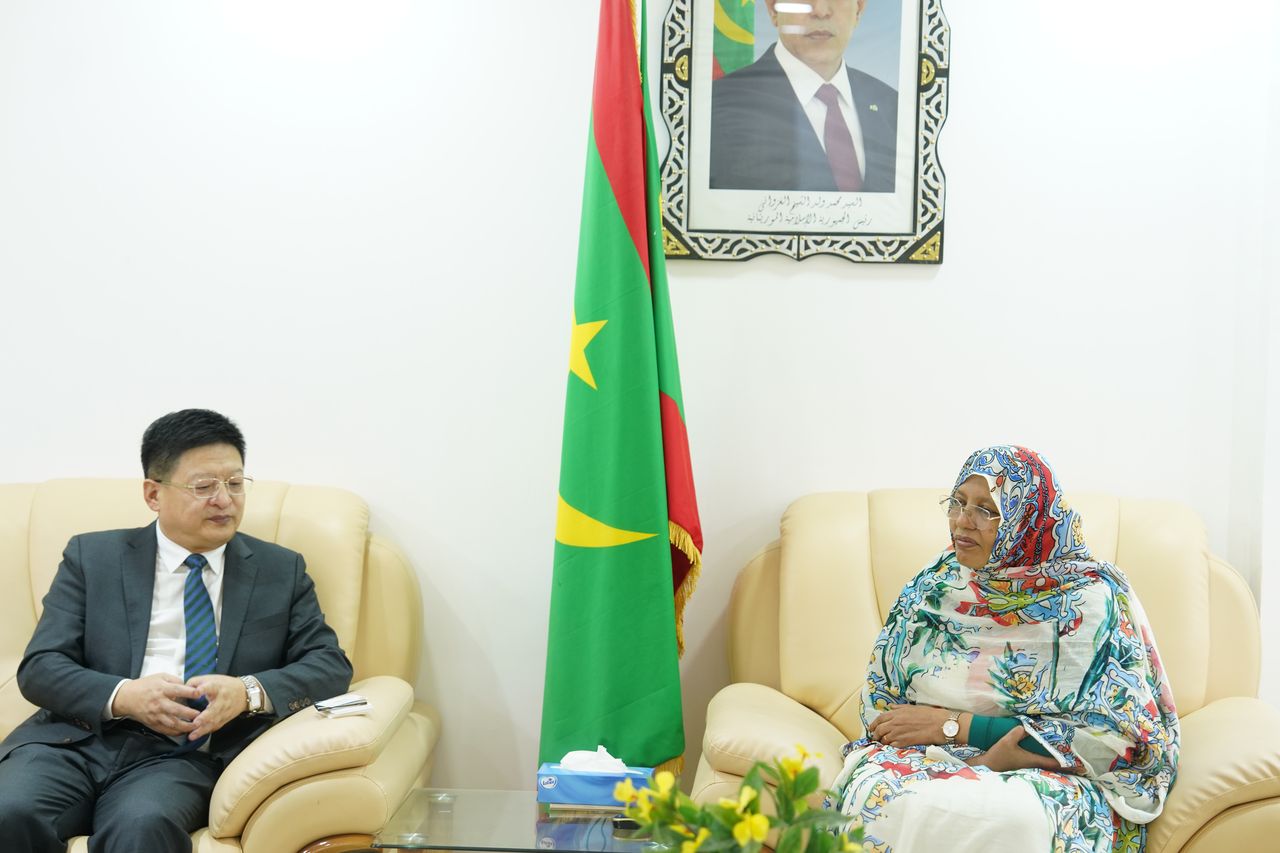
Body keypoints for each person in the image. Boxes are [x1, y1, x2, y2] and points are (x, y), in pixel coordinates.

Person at [0, 409, 353, 852]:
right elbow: (41, 667)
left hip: (182, 756)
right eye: (204, 487)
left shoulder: (280, 570)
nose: (224, 500)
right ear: (153, 494)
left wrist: (247, 692)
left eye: (235, 483)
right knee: (8, 810)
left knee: (142, 826)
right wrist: (124, 696)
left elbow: (329, 665)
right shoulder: (93, 557)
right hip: (73, 741)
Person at [831, 446, 1179, 853]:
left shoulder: (1090, 602)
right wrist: (962, 752)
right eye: (958, 502)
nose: (963, 521)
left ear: (1026, 520)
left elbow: (1121, 746)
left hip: (1048, 773)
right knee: (894, 804)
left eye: (986, 510)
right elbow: (887, 713)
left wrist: (959, 726)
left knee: (1010, 818)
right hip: (925, 759)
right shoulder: (935, 584)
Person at [709, 0, 898, 193]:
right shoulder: (715, 107)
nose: (820, 11)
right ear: (773, 9)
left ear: (859, 8)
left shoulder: (894, 107)